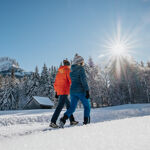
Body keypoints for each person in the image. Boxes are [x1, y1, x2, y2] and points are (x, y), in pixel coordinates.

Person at [59, 54, 91, 128]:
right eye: (82, 62)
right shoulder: (81, 69)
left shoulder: (71, 70)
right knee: (87, 106)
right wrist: (87, 90)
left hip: (73, 91)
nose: (83, 63)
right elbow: (83, 80)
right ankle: (86, 122)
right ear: (79, 62)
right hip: (81, 91)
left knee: (72, 107)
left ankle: (63, 119)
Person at [50, 59, 78, 128]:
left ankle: (72, 120)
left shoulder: (59, 71)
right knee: (60, 106)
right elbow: (71, 80)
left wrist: (56, 92)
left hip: (60, 91)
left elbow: (56, 82)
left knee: (69, 106)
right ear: (68, 65)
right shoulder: (67, 70)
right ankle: (53, 122)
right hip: (64, 90)